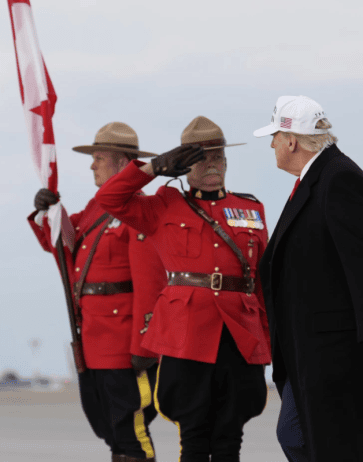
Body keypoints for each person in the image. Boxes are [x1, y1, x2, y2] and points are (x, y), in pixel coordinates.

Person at [95, 116, 270, 462]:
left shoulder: (250, 209)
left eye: (218, 157)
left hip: (239, 334)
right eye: (201, 159)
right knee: (193, 437)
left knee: (230, 437)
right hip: (187, 335)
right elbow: (109, 198)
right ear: (185, 165)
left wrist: (268, 338)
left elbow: (262, 282)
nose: (212, 165)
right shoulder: (163, 205)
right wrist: (154, 168)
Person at [252, 95, 363, 461]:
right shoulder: (318, 178)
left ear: (291, 141)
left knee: (324, 443)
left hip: (337, 354)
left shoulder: (338, 178)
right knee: (298, 438)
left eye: (274, 137)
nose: (271, 145)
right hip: (312, 352)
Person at [29, 122, 165, 462]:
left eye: (99, 158)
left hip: (123, 343)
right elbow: (62, 243)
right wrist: (48, 211)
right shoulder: (96, 208)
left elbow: (150, 283)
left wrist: (144, 345)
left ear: (123, 163)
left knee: (131, 431)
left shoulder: (138, 209)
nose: (92, 165)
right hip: (93, 338)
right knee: (109, 429)